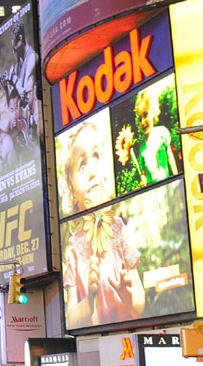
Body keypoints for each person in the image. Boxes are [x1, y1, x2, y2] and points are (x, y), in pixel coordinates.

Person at [60, 120, 143, 328]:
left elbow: (140, 300)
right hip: (94, 341)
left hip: (129, 334)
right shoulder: (74, 247)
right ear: (71, 188)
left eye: (96, 157)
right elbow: (71, 316)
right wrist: (88, 301)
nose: (91, 172)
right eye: (82, 165)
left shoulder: (117, 228)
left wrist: (129, 295)